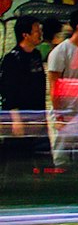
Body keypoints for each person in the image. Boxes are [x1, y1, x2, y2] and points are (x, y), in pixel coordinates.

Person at [39, 13, 78, 163]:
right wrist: (58, 115)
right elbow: (54, 85)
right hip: (66, 110)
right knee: (61, 155)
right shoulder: (60, 52)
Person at [0, 20, 46, 168]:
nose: (39, 33)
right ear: (25, 35)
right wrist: (16, 119)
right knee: (16, 159)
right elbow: (8, 91)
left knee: (36, 160)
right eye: (36, 31)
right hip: (20, 117)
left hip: (37, 115)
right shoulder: (12, 59)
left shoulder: (36, 55)